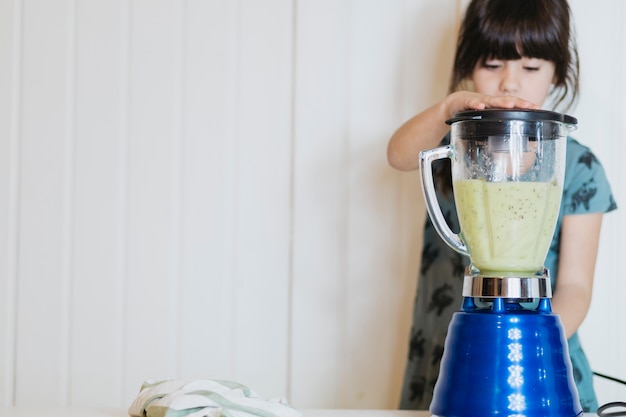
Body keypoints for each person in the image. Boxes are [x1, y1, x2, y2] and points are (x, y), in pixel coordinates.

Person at [387, 0, 617, 412]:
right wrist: (446, 110)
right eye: (493, 64)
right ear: (468, 68)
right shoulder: (453, 149)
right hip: (451, 353)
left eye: (530, 68)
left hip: (542, 356)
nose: (510, 83)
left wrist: (526, 347)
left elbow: (575, 288)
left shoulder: (578, 167)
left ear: (558, 73)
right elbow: (398, 155)